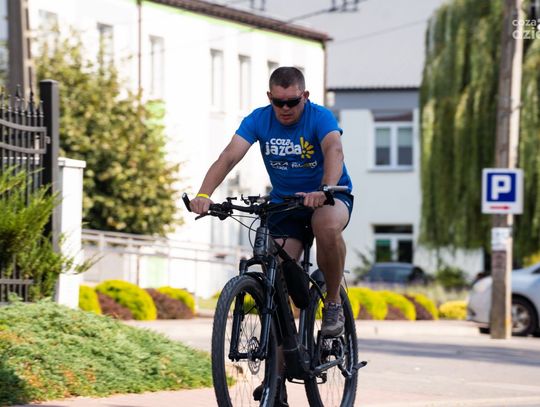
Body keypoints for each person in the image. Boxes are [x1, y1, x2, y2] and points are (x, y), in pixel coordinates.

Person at [190, 67, 353, 404]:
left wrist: (325, 188)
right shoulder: (259, 120)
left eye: (292, 101)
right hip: (285, 205)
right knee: (274, 280)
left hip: (327, 197)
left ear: (305, 96)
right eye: (279, 102)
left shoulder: (320, 117)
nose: (285, 109)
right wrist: (204, 194)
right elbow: (229, 156)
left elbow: (334, 150)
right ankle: (275, 381)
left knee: (325, 225)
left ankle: (333, 303)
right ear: (270, 98)